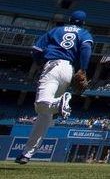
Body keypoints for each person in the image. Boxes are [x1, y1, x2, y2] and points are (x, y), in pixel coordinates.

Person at [16, 10, 93, 164]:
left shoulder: (55, 30)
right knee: (44, 116)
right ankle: (27, 154)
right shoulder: (84, 34)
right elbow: (86, 49)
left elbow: (36, 50)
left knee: (41, 105)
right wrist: (83, 69)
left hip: (52, 66)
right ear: (83, 23)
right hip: (68, 70)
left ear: (70, 19)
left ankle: (60, 104)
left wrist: (40, 63)